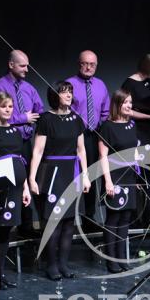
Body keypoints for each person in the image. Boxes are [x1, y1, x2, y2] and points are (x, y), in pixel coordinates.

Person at [28, 81, 91, 280]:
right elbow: (38, 151)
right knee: (54, 221)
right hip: (52, 172)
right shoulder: (46, 119)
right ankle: (51, 265)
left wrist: (86, 175)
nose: (69, 95)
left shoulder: (76, 119)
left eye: (70, 91)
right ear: (55, 96)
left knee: (69, 222)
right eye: (64, 92)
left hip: (71, 171)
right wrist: (32, 178)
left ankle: (64, 264)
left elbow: (81, 150)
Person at [0, 50, 44, 236]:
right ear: (11, 65)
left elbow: (39, 110)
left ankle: (26, 226)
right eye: (22, 65)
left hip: (25, 142)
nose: (26, 69)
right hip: (4, 145)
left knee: (26, 181)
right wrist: (22, 118)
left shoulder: (29, 88)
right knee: (7, 185)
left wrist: (34, 121)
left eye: (27, 65)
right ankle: (3, 227)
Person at [0, 92, 32, 287]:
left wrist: (25, 188)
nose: (8, 110)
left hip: (15, 188)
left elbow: (20, 161)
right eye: (4, 106)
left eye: (10, 106)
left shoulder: (15, 130)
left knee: (6, 231)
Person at [98, 89, 140, 273]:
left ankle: (122, 258)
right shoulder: (107, 127)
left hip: (129, 175)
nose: (129, 105)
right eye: (125, 102)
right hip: (115, 175)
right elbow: (103, 156)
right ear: (117, 104)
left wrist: (137, 175)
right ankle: (111, 260)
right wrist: (108, 181)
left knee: (125, 218)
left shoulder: (132, 124)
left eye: (130, 102)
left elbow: (134, 152)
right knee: (114, 217)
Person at [67, 50, 110, 227]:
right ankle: (70, 217)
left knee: (90, 175)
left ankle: (89, 217)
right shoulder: (69, 84)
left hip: (94, 136)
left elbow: (106, 111)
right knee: (74, 176)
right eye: (85, 63)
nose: (88, 67)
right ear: (79, 64)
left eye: (92, 64)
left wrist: (102, 129)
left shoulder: (101, 85)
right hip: (74, 136)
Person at [122, 53, 150, 229]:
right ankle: (135, 218)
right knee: (138, 176)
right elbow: (126, 110)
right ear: (148, 67)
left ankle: (149, 218)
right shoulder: (129, 83)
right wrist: (148, 116)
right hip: (138, 132)